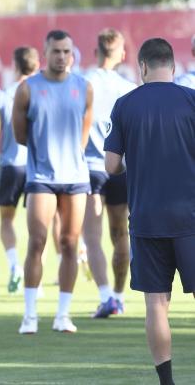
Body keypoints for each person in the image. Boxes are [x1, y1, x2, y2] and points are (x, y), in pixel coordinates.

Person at [104, 37, 195, 385]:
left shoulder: (125, 105)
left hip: (146, 219)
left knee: (157, 304)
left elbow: (111, 165)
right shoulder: (190, 99)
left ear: (141, 67)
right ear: (172, 65)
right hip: (190, 217)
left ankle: (167, 382)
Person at [13, 30, 93, 334]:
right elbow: (20, 134)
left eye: (67, 51)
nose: (62, 56)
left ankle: (63, 315)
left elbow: (83, 133)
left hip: (75, 178)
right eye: (56, 51)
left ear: (72, 54)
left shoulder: (84, 88)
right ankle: (30, 315)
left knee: (70, 244)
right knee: (37, 242)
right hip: (41, 177)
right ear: (45, 53)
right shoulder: (27, 89)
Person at [82, 29, 136, 318]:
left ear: (96, 52)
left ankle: (105, 296)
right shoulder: (128, 87)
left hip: (89, 167)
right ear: (122, 54)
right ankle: (118, 295)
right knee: (120, 233)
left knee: (92, 236)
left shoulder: (82, 82)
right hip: (120, 168)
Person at [0, 46, 40, 294]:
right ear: (37, 66)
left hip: (9, 166)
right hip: (37, 167)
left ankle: (15, 265)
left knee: (7, 220)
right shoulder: (42, 92)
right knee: (39, 224)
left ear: (15, 66)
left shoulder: (3, 95)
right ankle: (35, 280)